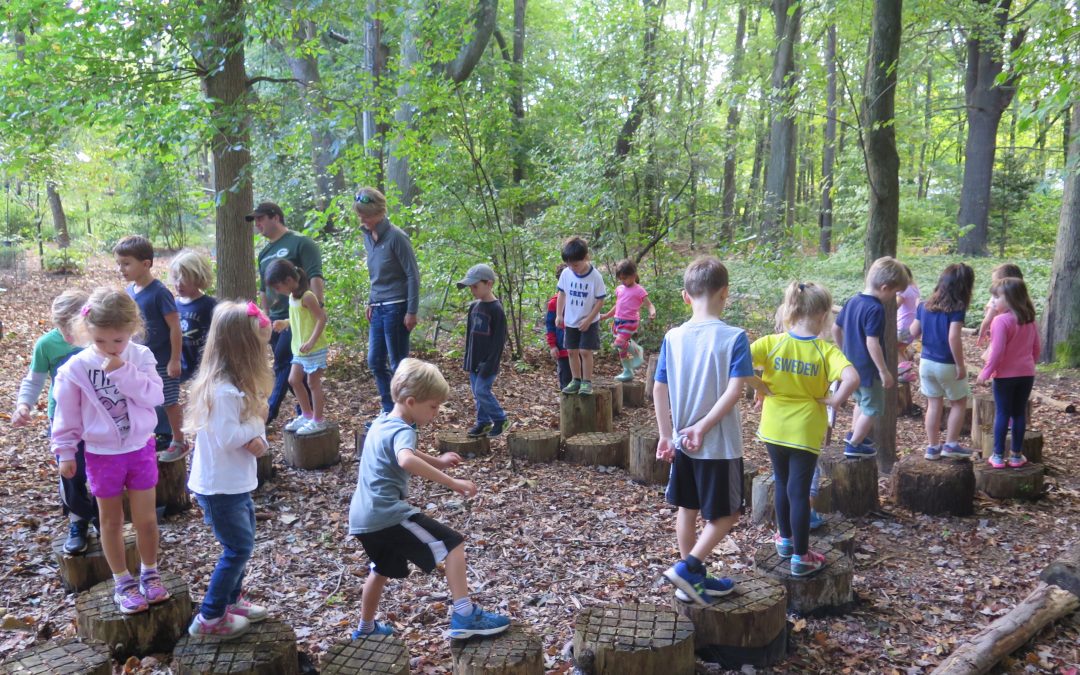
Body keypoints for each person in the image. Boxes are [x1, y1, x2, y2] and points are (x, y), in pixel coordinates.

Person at [348, 358, 511, 640]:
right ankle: (465, 614)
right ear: (411, 401)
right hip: (387, 514)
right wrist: (452, 482)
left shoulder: (381, 423)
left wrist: (438, 461)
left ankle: (365, 629)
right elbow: (405, 458)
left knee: (381, 569)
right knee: (453, 545)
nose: (436, 412)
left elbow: (398, 451)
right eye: (433, 406)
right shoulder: (403, 430)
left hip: (363, 517)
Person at [51, 288, 167, 614]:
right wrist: (66, 451)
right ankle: (122, 581)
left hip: (140, 448)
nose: (110, 348)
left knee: (146, 520)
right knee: (111, 521)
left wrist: (122, 370)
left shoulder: (140, 357)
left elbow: (154, 397)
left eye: (118, 341)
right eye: (101, 341)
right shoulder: (76, 368)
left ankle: (150, 572)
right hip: (102, 454)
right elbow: (66, 415)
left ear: (131, 330)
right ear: (89, 332)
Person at [654, 256, 751, 607]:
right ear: (724, 293)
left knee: (688, 507)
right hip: (719, 445)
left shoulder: (673, 336)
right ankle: (691, 568)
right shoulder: (735, 337)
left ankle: (689, 580)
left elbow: (659, 388)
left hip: (683, 442)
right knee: (727, 513)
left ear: (685, 296)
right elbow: (735, 390)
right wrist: (703, 427)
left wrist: (667, 434)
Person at [752, 282, 859, 577]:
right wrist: (835, 400)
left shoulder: (771, 343)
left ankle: (784, 540)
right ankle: (801, 556)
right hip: (805, 430)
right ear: (824, 314)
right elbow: (852, 378)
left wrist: (758, 386)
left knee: (783, 482)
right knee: (799, 490)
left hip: (773, 427)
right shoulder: (825, 351)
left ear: (792, 309)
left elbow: (734, 362)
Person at [184, 302, 273, 638]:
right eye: (259, 347)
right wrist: (256, 423)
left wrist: (259, 437)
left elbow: (248, 429)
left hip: (235, 483)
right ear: (242, 349)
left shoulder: (237, 385)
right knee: (237, 549)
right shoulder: (223, 391)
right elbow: (228, 437)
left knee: (242, 544)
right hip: (219, 488)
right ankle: (210, 617)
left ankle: (231, 600)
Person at [12, 289, 96, 554]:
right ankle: (79, 520)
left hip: (97, 416)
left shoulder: (97, 337)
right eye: (61, 327)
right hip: (62, 418)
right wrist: (23, 405)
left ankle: (105, 517)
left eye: (72, 327)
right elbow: (34, 380)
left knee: (101, 468)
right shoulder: (46, 345)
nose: (68, 334)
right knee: (70, 472)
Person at [250, 201, 325, 425]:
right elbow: (264, 289)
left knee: (283, 364)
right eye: (255, 221)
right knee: (295, 374)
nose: (257, 225)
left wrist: (317, 306)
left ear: (275, 217)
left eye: (260, 219)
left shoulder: (300, 242)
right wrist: (264, 316)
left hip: (301, 319)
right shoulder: (264, 252)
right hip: (278, 320)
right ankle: (310, 413)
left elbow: (315, 275)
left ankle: (268, 413)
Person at [114, 235, 187, 462]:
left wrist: (175, 359)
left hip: (162, 359)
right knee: (141, 398)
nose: (121, 269)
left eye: (126, 263)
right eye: (119, 263)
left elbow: (175, 327)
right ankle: (146, 437)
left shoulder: (159, 292)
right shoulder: (130, 291)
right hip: (137, 358)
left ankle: (179, 440)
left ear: (146, 264)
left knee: (169, 400)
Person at [832, 256, 910, 458]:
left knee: (861, 401)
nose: (894, 296)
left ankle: (853, 435)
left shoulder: (852, 300)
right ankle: (854, 444)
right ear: (885, 288)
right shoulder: (875, 308)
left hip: (852, 366)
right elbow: (872, 342)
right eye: (895, 292)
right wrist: (884, 371)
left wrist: (844, 351)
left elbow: (835, 328)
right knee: (873, 407)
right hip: (868, 368)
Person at [354, 188, 420, 415]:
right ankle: (388, 409)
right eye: (360, 215)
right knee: (374, 361)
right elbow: (375, 275)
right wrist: (371, 302)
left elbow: (412, 274)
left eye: (366, 215)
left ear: (380, 212)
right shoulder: (367, 236)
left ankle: (406, 413)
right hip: (378, 307)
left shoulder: (396, 237)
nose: (363, 219)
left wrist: (411, 310)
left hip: (397, 307)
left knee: (399, 364)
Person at [909, 263, 975, 460]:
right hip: (946, 363)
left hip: (926, 363)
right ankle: (951, 444)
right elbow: (953, 337)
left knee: (933, 403)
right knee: (958, 402)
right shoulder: (957, 308)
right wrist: (960, 365)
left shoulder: (923, 306)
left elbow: (912, 332)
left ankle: (932, 447)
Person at [976, 277, 1039, 469]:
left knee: (1002, 413)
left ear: (1010, 298)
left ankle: (997, 455)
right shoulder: (1030, 319)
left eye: (997, 297)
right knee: (1019, 414)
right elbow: (1036, 349)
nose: (993, 301)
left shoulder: (1000, 321)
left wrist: (985, 373)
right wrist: (1028, 366)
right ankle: (1016, 455)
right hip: (1026, 374)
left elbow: (996, 351)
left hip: (1005, 376)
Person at [266, 259, 330, 435]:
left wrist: (311, 341)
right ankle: (307, 414)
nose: (277, 292)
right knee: (293, 380)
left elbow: (321, 318)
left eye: (278, 287)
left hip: (314, 348)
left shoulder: (307, 296)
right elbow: (299, 319)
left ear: (288, 281)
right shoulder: (293, 298)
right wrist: (285, 323)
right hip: (299, 349)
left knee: (313, 383)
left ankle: (318, 420)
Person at [457, 263, 511, 438]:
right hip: (474, 360)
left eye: (475, 286)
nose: (472, 290)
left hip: (488, 362)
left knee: (481, 391)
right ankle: (483, 422)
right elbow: (470, 336)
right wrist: (468, 359)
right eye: (470, 287)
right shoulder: (474, 306)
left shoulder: (496, 309)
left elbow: (498, 342)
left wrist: (490, 363)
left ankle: (500, 418)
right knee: (476, 393)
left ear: (489, 284)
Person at [556, 237, 606, 396]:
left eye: (575, 264)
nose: (572, 268)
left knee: (585, 351)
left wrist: (589, 319)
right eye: (568, 264)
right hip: (571, 320)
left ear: (585, 258)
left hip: (589, 321)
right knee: (571, 351)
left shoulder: (595, 276)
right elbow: (561, 294)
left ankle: (586, 381)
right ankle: (575, 379)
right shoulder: (566, 273)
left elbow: (600, 300)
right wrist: (559, 314)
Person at [601, 259, 656, 382]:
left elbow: (649, 304)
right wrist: (606, 315)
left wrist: (652, 312)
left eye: (625, 278)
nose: (623, 281)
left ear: (634, 275)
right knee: (622, 348)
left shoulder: (639, 290)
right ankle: (627, 371)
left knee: (619, 343)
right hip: (618, 321)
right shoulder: (620, 289)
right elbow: (618, 306)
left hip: (630, 322)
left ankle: (637, 351)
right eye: (621, 279)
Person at [169, 249, 217, 382]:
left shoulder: (210, 305)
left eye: (184, 279)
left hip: (205, 371)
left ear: (198, 278)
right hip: (181, 370)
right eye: (175, 278)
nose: (178, 284)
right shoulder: (173, 305)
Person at [976, 263, 1024, 350]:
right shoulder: (1023, 297)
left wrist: (981, 333)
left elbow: (988, 319)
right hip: (1020, 337)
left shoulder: (996, 298)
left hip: (1000, 332)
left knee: (996, 353)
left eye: (995, 282)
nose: (994, 285)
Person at [546, 264, 572, 390]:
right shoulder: (554, 302)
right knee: (565, 381)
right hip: (562, 350)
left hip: (578, 349)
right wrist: (552, 345)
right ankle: (568, 409)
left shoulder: (578, 299)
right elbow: (550, 326)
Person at [896, 264, 920, 383]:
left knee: (893, 348)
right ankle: (908, 361)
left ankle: (904, 373)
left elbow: (895, 306)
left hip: (903, 326)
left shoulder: (903, 291)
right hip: (913, 326)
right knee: (900, 349)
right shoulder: (914, 287)